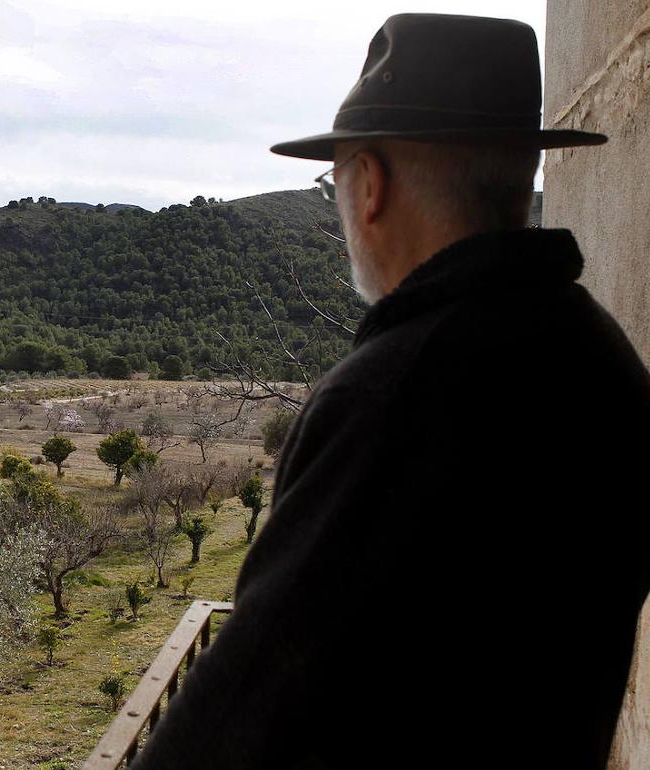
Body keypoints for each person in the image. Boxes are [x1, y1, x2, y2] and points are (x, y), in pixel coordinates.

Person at [130, 14, 650, 770]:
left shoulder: (399, 395)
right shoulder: (603, 360)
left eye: (333, 180)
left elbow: (233, 724)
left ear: (369, 185)